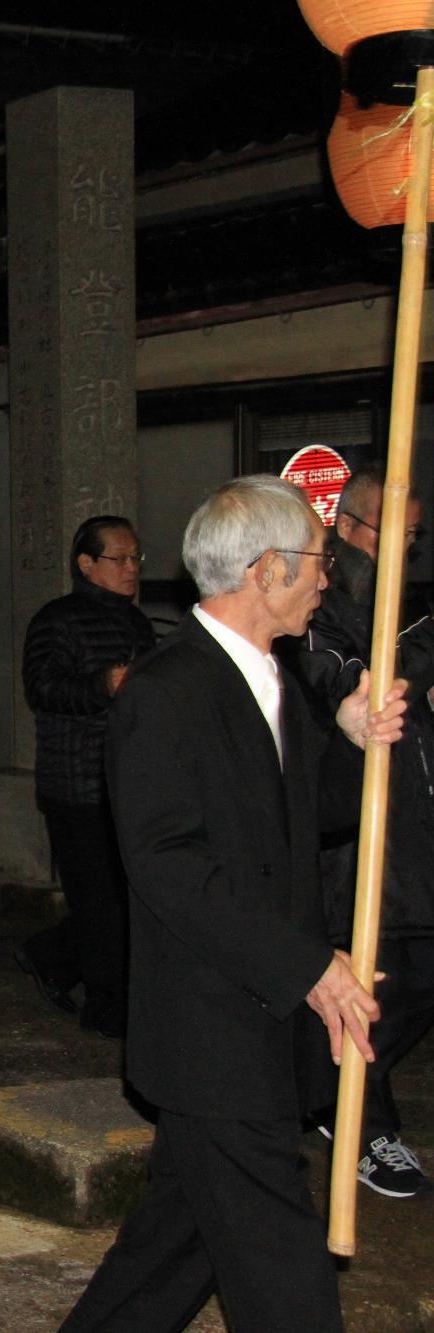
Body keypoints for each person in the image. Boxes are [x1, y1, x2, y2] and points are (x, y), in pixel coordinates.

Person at [60, 475, 405, 1333]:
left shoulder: (273, 677)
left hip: (256, 1029)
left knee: (174, 1249)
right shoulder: (165, 690)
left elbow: (309, 814)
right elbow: (168, 865)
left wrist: (356, 742)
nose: (328, 577)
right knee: (286, 1276)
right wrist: (307, 966)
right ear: (266, 571)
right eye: (318, 562)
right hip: (211, 1026)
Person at [286, 467, 434, 1198]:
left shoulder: (408, 609)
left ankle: (333, 1084)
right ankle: (360, 1121)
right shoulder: (324, 612)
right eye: (393, 534)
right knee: (374, 980)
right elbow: (347, 685)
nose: (406, 550)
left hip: (415, 826)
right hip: (356, 838)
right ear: (346, 529)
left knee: (420, 976)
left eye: (415, 537)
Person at [15, 516, 157, 1038]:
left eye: (135, 558)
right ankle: (108, 1012)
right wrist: (103, 684)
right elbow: (43, 688)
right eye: (118, 559)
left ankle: (49, 954)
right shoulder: (57, 620)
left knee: (121, 898)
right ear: (86, 564)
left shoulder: (136, 622)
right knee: (100, 902)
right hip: (75, 782)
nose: (130, 569)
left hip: (125, 778)